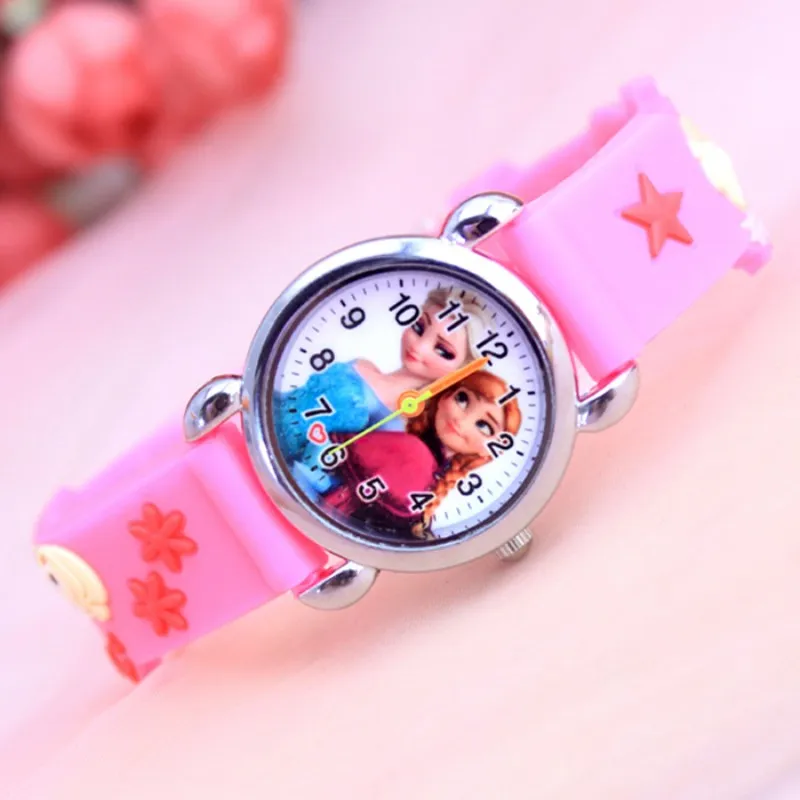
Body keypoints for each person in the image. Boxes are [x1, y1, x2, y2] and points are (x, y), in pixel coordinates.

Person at [274, 287, 492, 497]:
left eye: (443, 351)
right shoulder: (364, 364)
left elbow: (337, 477)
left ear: (460, 373)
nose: (419, 347)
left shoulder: (401, 426)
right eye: (418, 327)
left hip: (288, 473)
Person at [320, 370, 522, 540]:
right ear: (445, 396)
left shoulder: (413, 452)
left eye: (484, 426)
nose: (462, 421)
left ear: (489, 450)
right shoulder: (425, 470)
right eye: (462, 399)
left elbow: (332, 450)